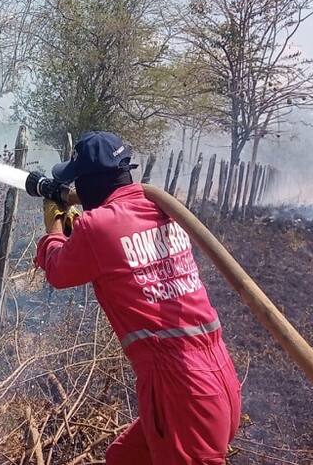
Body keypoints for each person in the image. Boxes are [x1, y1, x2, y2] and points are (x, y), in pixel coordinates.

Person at [35, 131, 241, 464]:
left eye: (78, 182)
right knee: (125, 457)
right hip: (217, 376)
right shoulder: (161, 209)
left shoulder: (97, 226)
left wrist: (55, 226)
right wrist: (82, 229)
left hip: (177, 388)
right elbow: (123, 255)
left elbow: (58, 271)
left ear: (90, 183)